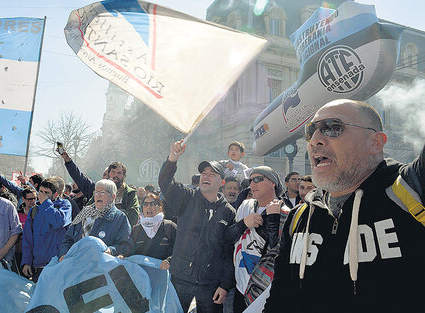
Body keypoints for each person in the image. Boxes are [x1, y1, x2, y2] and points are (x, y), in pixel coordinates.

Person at [264, 99, 425, 313]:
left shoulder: (411, 189)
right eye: (311, 131)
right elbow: (280, 299)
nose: (315, 140)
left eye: (332, 128)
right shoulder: (299, 216)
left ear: (375, 142)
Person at [159, 140, 242, 313]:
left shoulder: (229, 212)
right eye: (204, 173)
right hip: (180, 279)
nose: (206, 176)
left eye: (212, 174)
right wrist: (173, 158)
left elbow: (229, 253)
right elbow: (165, 182)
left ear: (222, 182)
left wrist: (225, 285)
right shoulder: (186, 198)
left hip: (210, 285)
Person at [232, 166, 290, 312]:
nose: (252, 184)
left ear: (273, 183)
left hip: (265, 287)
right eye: (251, 180)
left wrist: (273, 218)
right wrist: (244, 223)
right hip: (240, 284)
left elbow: (276, 252)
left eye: (258, 179)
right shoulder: (246, 206)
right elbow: (228, 238)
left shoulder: (286, 213)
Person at [59, 149, 139, 226]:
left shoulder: (129, 193)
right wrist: (68, 161)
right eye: (113, 172)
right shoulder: (97, 190)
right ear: (109, 174)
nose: (116, 176)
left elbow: (133, 217)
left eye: (119, 173)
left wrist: (108, 213)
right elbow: (80, 178)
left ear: (124, 176)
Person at [58, 179, 133, 260]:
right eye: (96, 192)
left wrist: (111, 251)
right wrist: (63, 254)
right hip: (77, 264)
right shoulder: (84, 213)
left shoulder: (119, 218)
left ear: (112, 197)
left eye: (102, 193)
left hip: (101, 267)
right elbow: (68, 239)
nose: (98, 195)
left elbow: (126, 245)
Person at [21, 178, 72, 282]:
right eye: (41, 191)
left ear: (55, 194)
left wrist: (46, 203)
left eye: (46, 192)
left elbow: (59, 222)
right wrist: (26, 262)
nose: (42, 195)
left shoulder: (64, 205)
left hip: (58, 264)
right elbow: (28, 239)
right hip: (39, 266)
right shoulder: (34, 211)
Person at [125, 192, 176, 269]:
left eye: (153, 204)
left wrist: (169, 261)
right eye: (145, 204)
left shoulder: (169, 227)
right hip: (142, 277)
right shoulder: (136, 230)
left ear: (160, 207)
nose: (149, 207)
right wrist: (122, 255)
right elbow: (129, 250)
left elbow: (181, 250)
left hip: (165, 276)